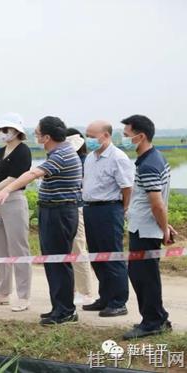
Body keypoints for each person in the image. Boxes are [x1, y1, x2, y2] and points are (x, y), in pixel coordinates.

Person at [0, 116, 82, 325]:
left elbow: (32, 173)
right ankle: (59, 307)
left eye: (38, 133)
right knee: (53, 262)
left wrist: (6, 190)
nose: (35, 136)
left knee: (59, 262)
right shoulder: (60, 151)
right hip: (53, 211)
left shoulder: (62, 154)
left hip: (60, 212)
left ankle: (65, 311)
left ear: (47, 137)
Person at [121, 115, 175, 339]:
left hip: (146, 231)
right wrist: (166, 225)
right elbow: (158, 201)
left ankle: (153, 322)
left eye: (126, 135)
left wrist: (164, 229)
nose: (123, 139)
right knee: (142, 274)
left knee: (145, 277)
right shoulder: (151, 158)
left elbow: (157, 203)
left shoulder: (149, 164)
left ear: (140, 136)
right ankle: (158, 317)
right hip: (143, 227)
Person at [82, 120, 133, 318]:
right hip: (91, 209)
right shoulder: (89, 158)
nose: (89, 140)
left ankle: (118, 301)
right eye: (87, 135)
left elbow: (127, 187)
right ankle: (105, 298)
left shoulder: (117, 157)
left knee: (112, 256)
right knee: (97, 256)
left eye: (92, 136)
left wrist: (123, 208)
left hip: (110, 209)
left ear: (106, 136)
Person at [0, 113, 32, 312]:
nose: (2, 133)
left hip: (13, 200)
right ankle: (3, 293)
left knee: (19, 248)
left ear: (17, 131)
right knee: (1, 249)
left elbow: (14, 178)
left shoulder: (23, 151)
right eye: (0, 130)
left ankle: (23, 295)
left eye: (6, 130)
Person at [65, 128, 96, 307]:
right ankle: (74, 289)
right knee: (68, 250)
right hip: (66, 208)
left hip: (78, 208)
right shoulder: (66, 160)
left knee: (78, 248)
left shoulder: (85, 162)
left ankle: (85, 292)